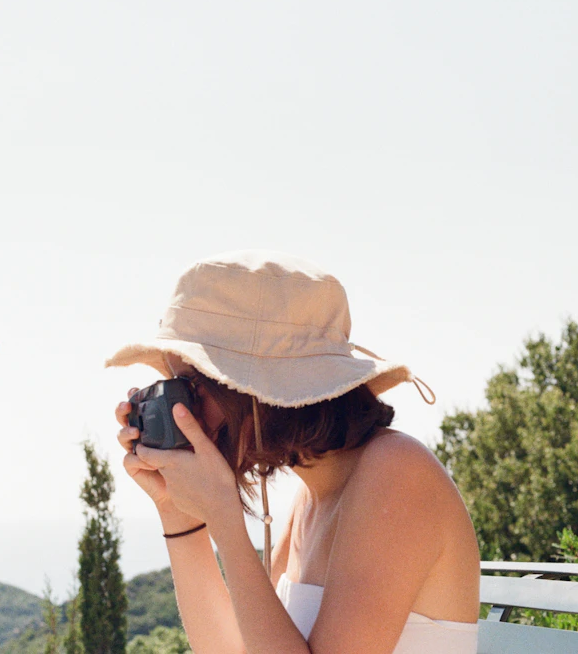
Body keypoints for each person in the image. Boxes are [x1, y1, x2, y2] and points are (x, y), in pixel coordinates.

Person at [110, 251, 479, 654]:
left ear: (256, 392)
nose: (184, 412)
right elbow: (231, 650)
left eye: (192, 385)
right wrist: (178, 513)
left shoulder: (397, 472)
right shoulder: (311, 498)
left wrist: (225, 520)